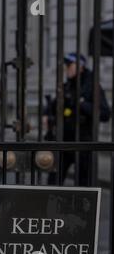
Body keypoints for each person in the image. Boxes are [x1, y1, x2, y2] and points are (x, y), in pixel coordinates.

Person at [43, 53, 111, 185]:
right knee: (53, 181)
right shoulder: (67, 85)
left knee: (82, 183)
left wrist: (81, 104)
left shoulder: (92, 86)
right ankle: (51, 205)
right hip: (64, 141)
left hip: (83, 142)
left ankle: (80, 206)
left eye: (69, 65)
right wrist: (46, 113)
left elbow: (105, 114)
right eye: (66, 65)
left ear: (81, 67)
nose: (66, 68)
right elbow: (53, 105)